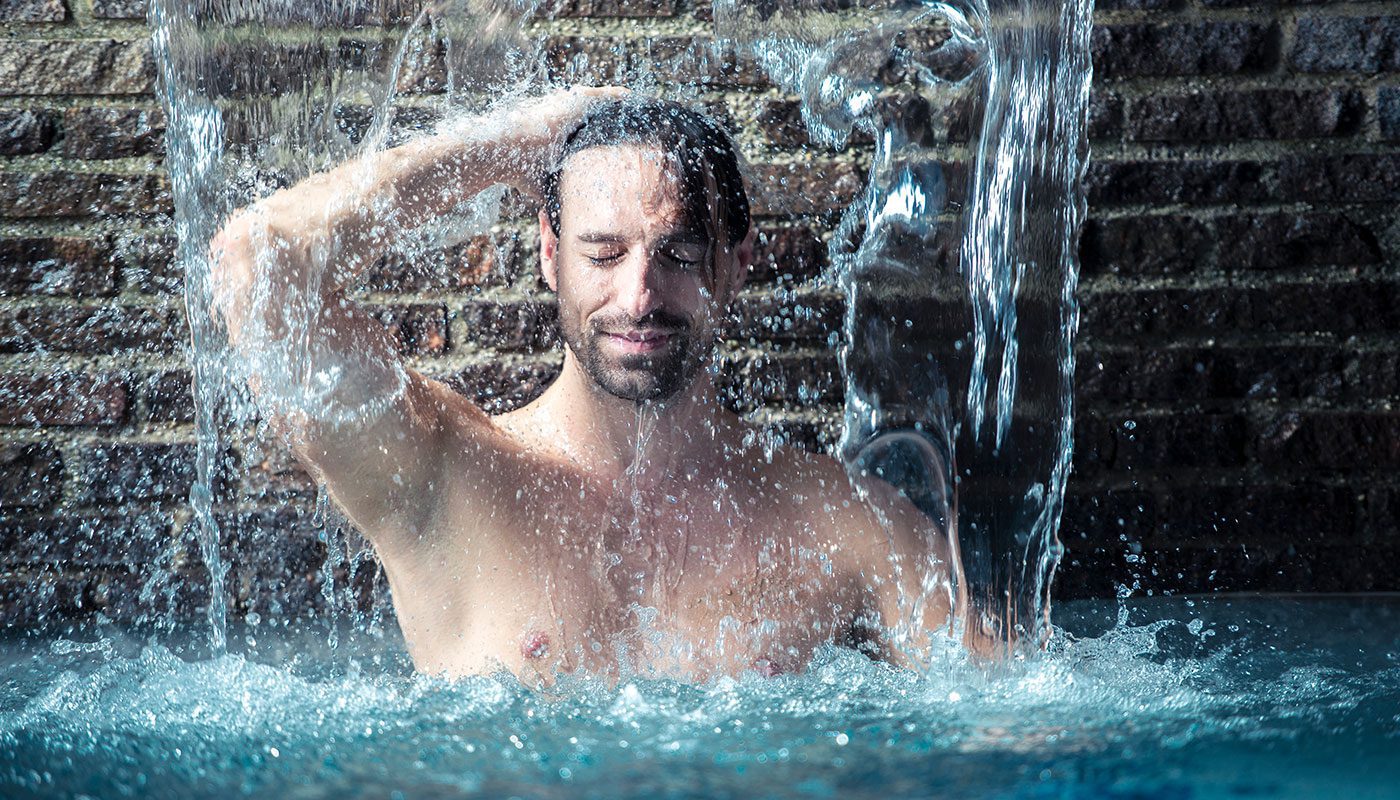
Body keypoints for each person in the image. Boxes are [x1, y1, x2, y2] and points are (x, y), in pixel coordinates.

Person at [209, 88, 979, 684]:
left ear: (738, 262)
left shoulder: (852, 528)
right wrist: (509, 142)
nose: (639, 296)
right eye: (603, 253)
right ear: (550, 255)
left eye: (677, 253)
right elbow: (255, 264)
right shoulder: (444, 474)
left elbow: (1012, 723)